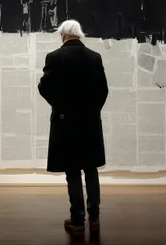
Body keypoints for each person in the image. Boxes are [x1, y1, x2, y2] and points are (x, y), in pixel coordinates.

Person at [37, 19, 109, 234]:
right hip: (89, 123)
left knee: (73, 171)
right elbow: (103, 90)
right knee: (91, 169)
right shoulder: (95, 58)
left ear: (63, 35)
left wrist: (59, 105)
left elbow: (43, 87)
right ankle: (94, 218)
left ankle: (77, 219)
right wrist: (93, 110)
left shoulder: (55, 57)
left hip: (65, 122)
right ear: (79, 34)